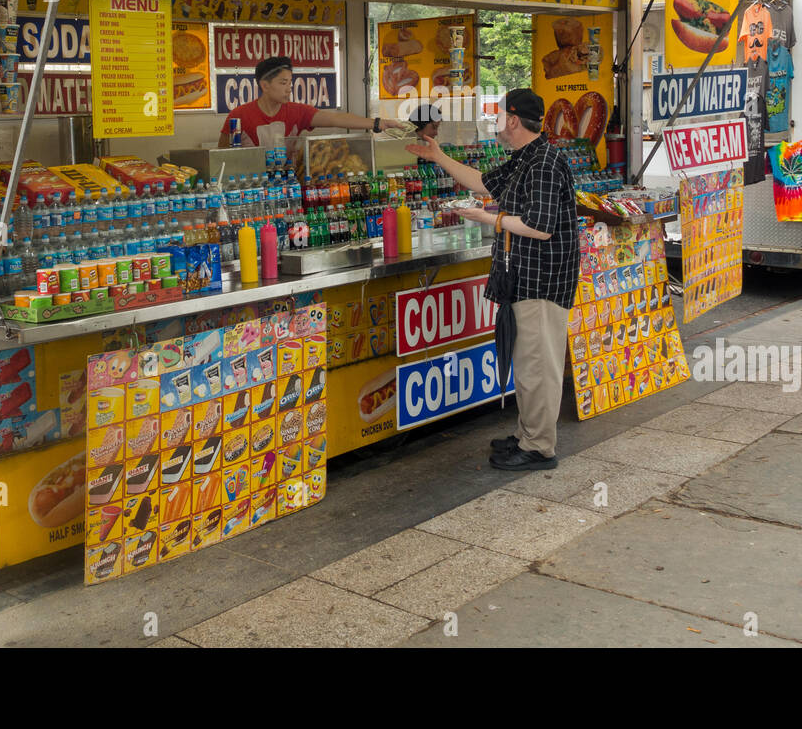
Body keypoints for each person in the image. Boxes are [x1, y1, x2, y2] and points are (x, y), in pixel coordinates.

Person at [407, 88, 579, 470]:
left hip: (542, 280)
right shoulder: (523, 158)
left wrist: (491, 219)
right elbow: (483, 182)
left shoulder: (545, 162)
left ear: (514, 120)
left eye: (499, 115)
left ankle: (539, 447)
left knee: (538, 365)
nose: (496, 121)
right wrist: (438, 156)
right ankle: (527, 434)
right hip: (521, 277)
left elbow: (540, 226)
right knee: (527, 361)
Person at [219, 56, 404, 147]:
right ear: (264, 86)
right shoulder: (239, 116)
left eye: (290, 82)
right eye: (283, 83)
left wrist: (378, 123)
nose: (289, 88)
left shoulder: (297, 112)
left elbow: (336, 119)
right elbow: (222, 155)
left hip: (288, 187)